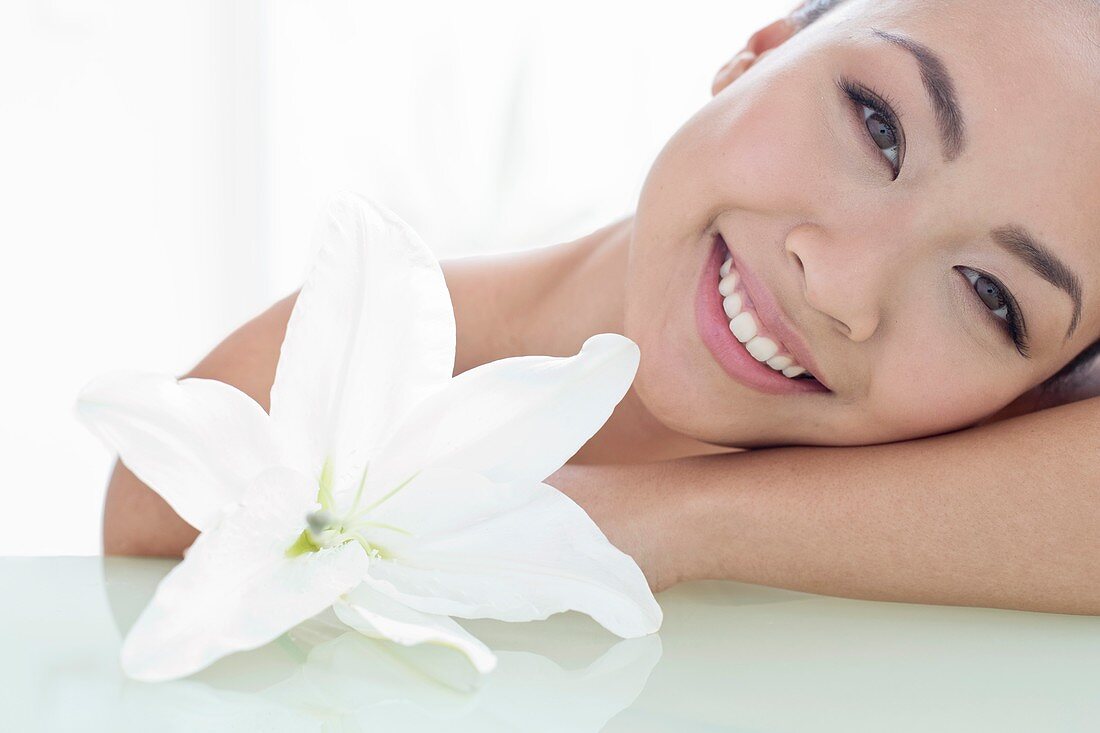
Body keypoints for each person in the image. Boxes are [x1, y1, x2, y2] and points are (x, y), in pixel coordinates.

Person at [101, 0, 1100, 615]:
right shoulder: (320, 367)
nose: (839, 285)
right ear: (756, 50)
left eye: (990, 297)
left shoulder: (993, 498)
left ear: (1042, 390)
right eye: (877, 124)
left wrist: (663, 525)